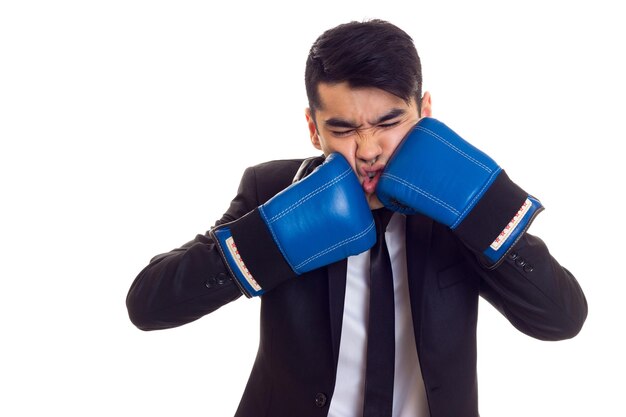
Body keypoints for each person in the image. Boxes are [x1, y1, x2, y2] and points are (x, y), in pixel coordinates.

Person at [126, 19, 587, 417]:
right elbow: (147, 304)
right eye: (343, 129)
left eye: (389, 123)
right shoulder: (272, 189)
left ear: (424, 113)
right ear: (313, 128)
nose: (368, 150)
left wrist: (482, 212)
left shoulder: (451, 207)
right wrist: (271, 239)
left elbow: (562, 319)